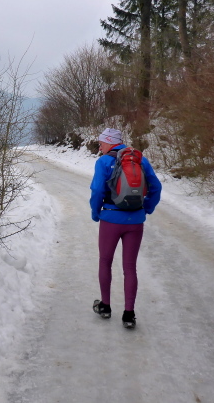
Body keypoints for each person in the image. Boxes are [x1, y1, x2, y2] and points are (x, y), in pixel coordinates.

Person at [89, 127, 161, 328]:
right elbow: (156, 187)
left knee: (105, 261)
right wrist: (147, 208)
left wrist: (96, 212)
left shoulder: (103, 161)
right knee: (130, 267)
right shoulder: (139, 160)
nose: (100, 147)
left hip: (110, 219)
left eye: (101, 143)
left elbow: (97, 190)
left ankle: (105, 307)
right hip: (135, 221)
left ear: (109, 142)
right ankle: (129, 315)